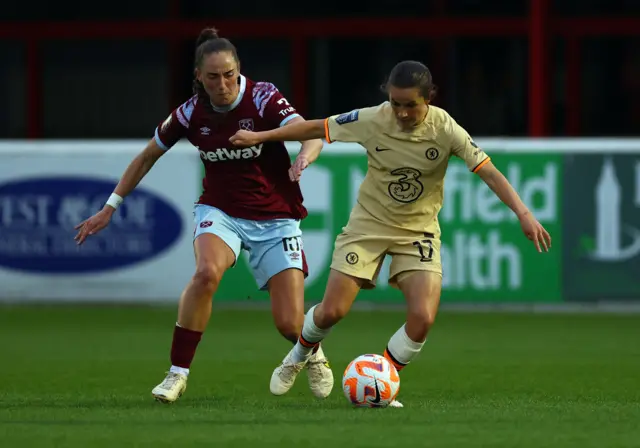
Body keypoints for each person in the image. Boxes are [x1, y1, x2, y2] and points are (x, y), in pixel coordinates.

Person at [230, 60, 552, 407]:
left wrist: (523, 213)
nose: (400, 112)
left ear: (428, 98)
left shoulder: (445, 129)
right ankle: (299, 354)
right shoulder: (371, 119)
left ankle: (384, 377)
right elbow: (314, 128)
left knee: (423, 317)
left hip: (418, 231)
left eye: (409, 105)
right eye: (395, 103)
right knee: (331, 312)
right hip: (367, 226)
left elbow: (488, 173)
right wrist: (261, 136)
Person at [73, 27, 334, 403]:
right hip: (221, 209)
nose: (223, 83)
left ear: (239, 70)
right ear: (199, 76)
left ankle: (313, 352)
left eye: (229, 74)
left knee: (289, 324)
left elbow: (310, 132)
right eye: (213, 76)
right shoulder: (191, 112)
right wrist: (109, 207)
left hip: (276, 216)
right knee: (206, 273)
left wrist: (305, 157)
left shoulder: (263, 97)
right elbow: (148, 155)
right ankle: (177, 373)